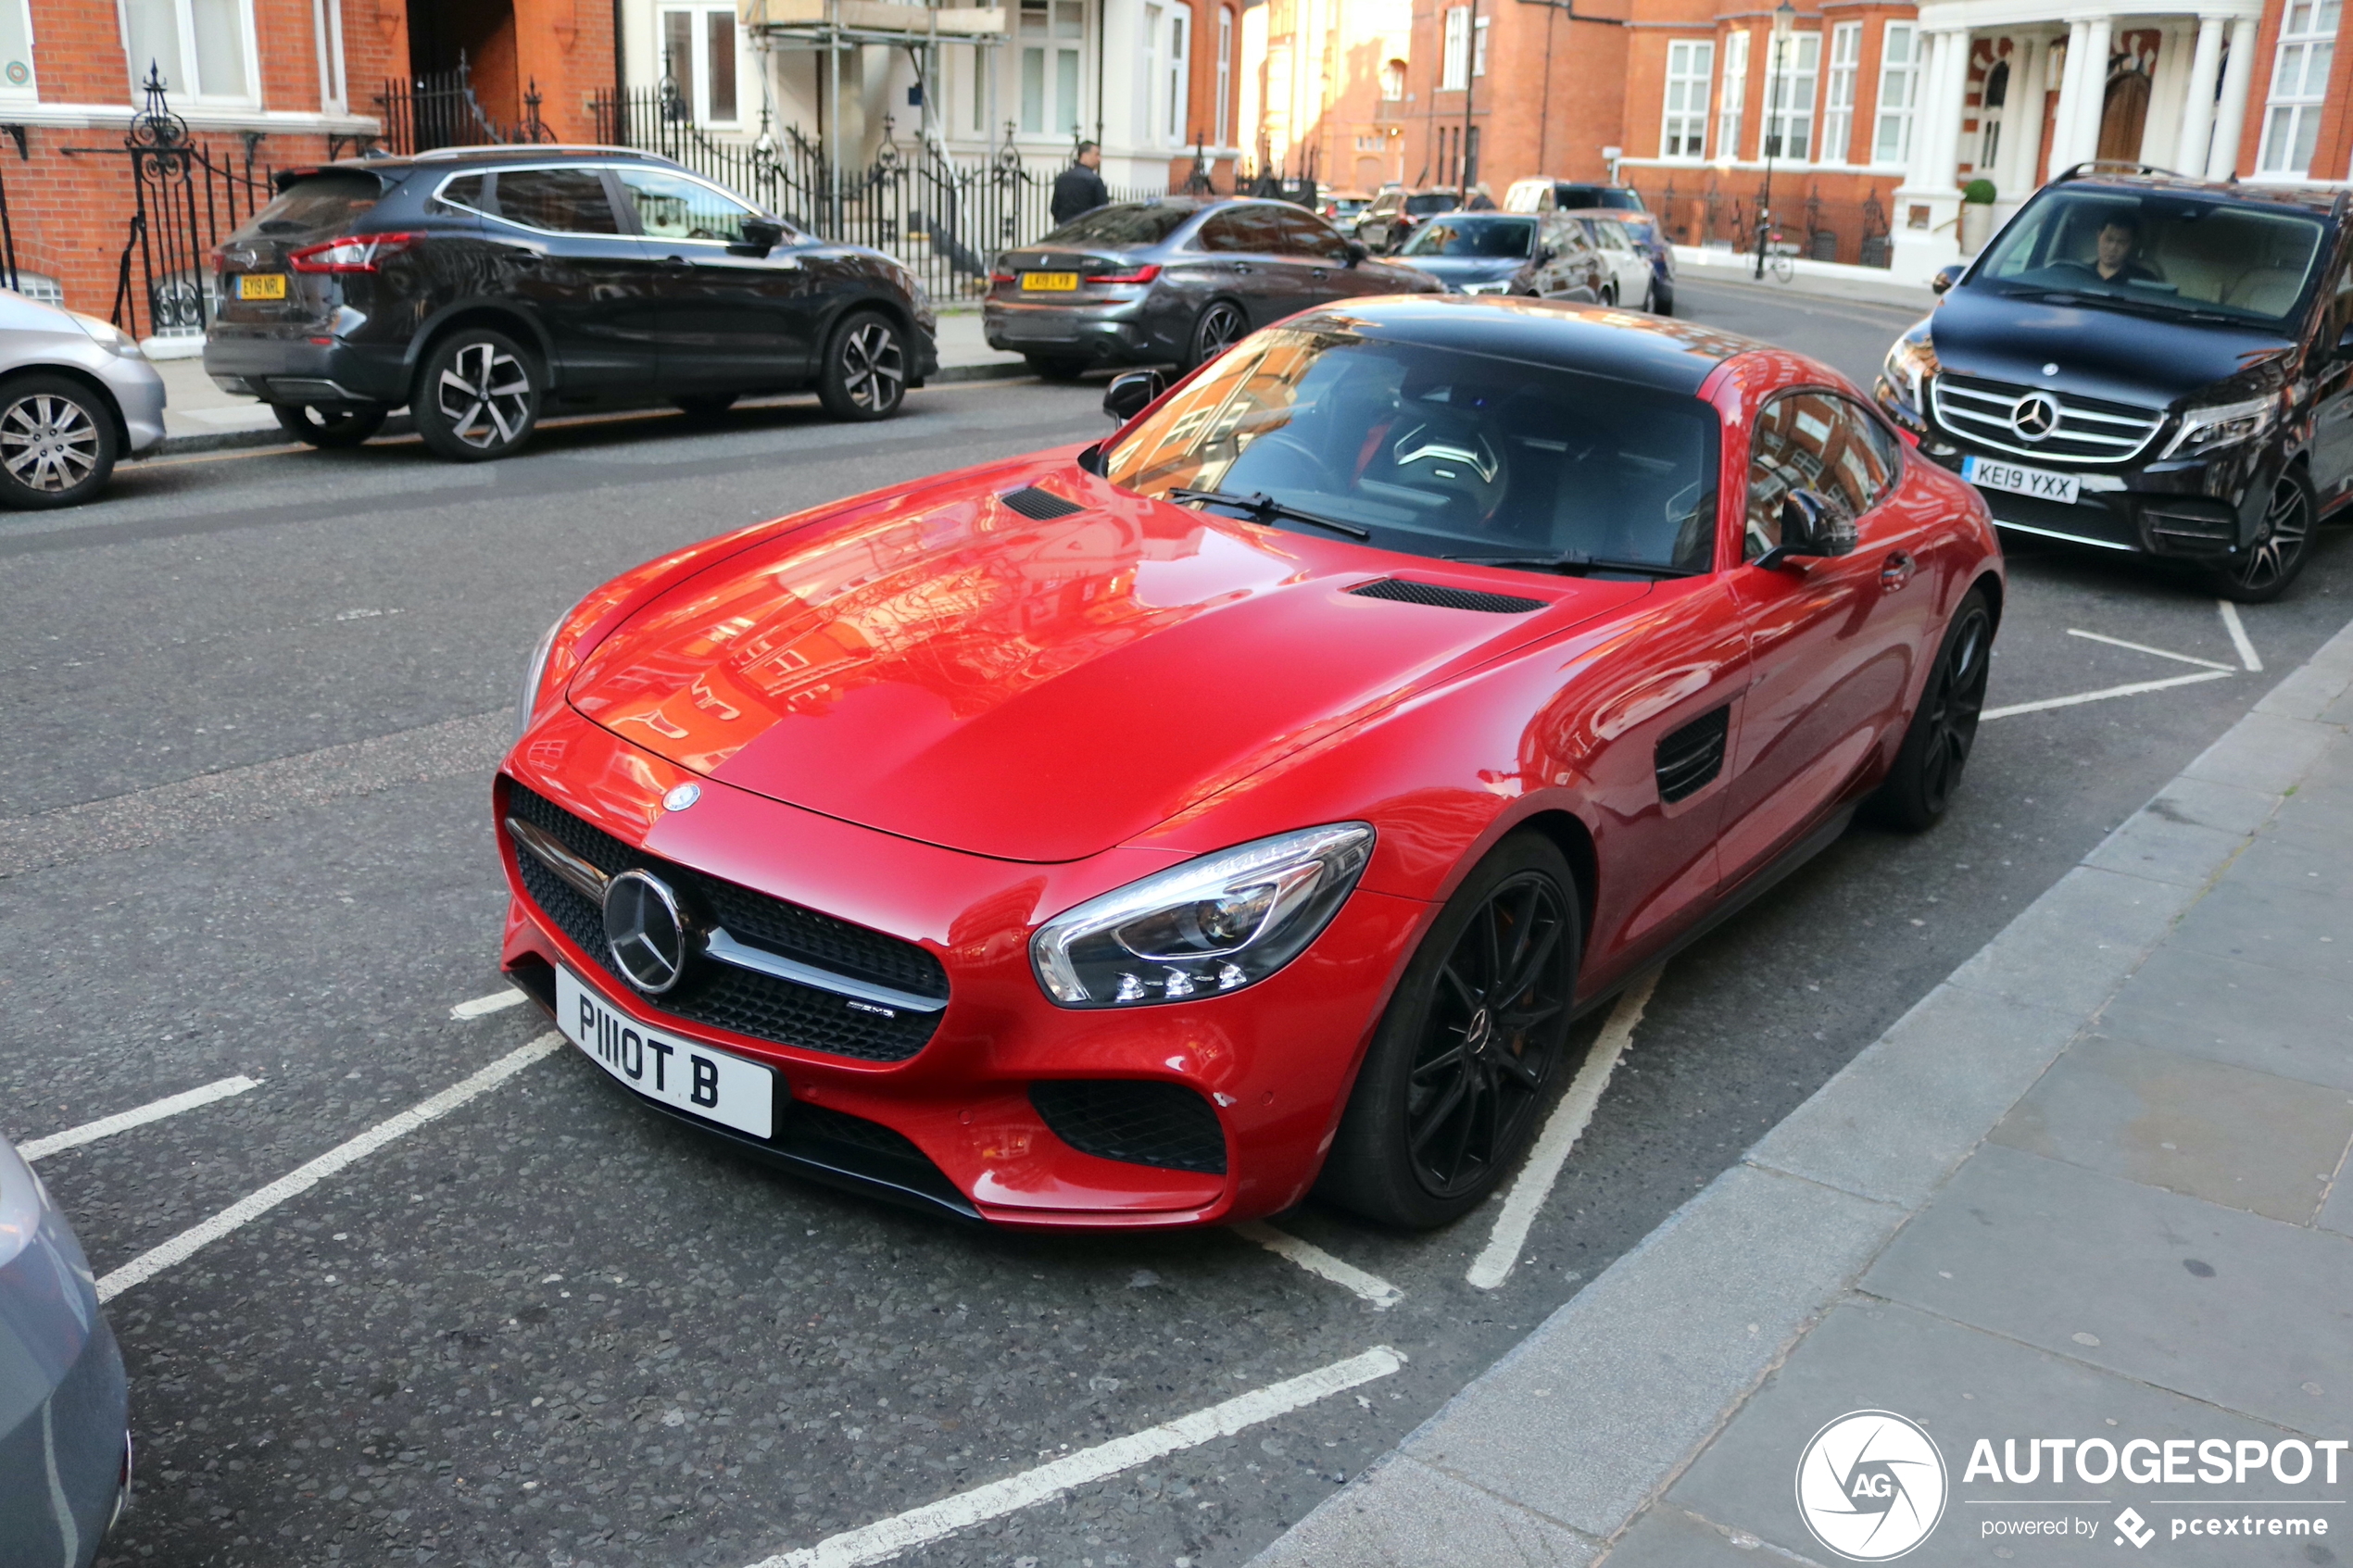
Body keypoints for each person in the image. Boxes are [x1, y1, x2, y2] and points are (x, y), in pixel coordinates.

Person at [1051, 142, 1109, 226]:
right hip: (1087, 231)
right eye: (1096, 155)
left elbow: (1054, 209)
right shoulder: (1094, 180)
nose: (1099, 159)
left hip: (1065, 231)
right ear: (1085, 155)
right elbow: (1104, 210)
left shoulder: (1062, 178)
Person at [2091, 215, 2158, 283]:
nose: (2113, 248)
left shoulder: (2145, 280)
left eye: (2121, 242)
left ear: (2133, 244)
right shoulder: (2082, 273)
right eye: (2109, 239)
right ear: (2099, 236)